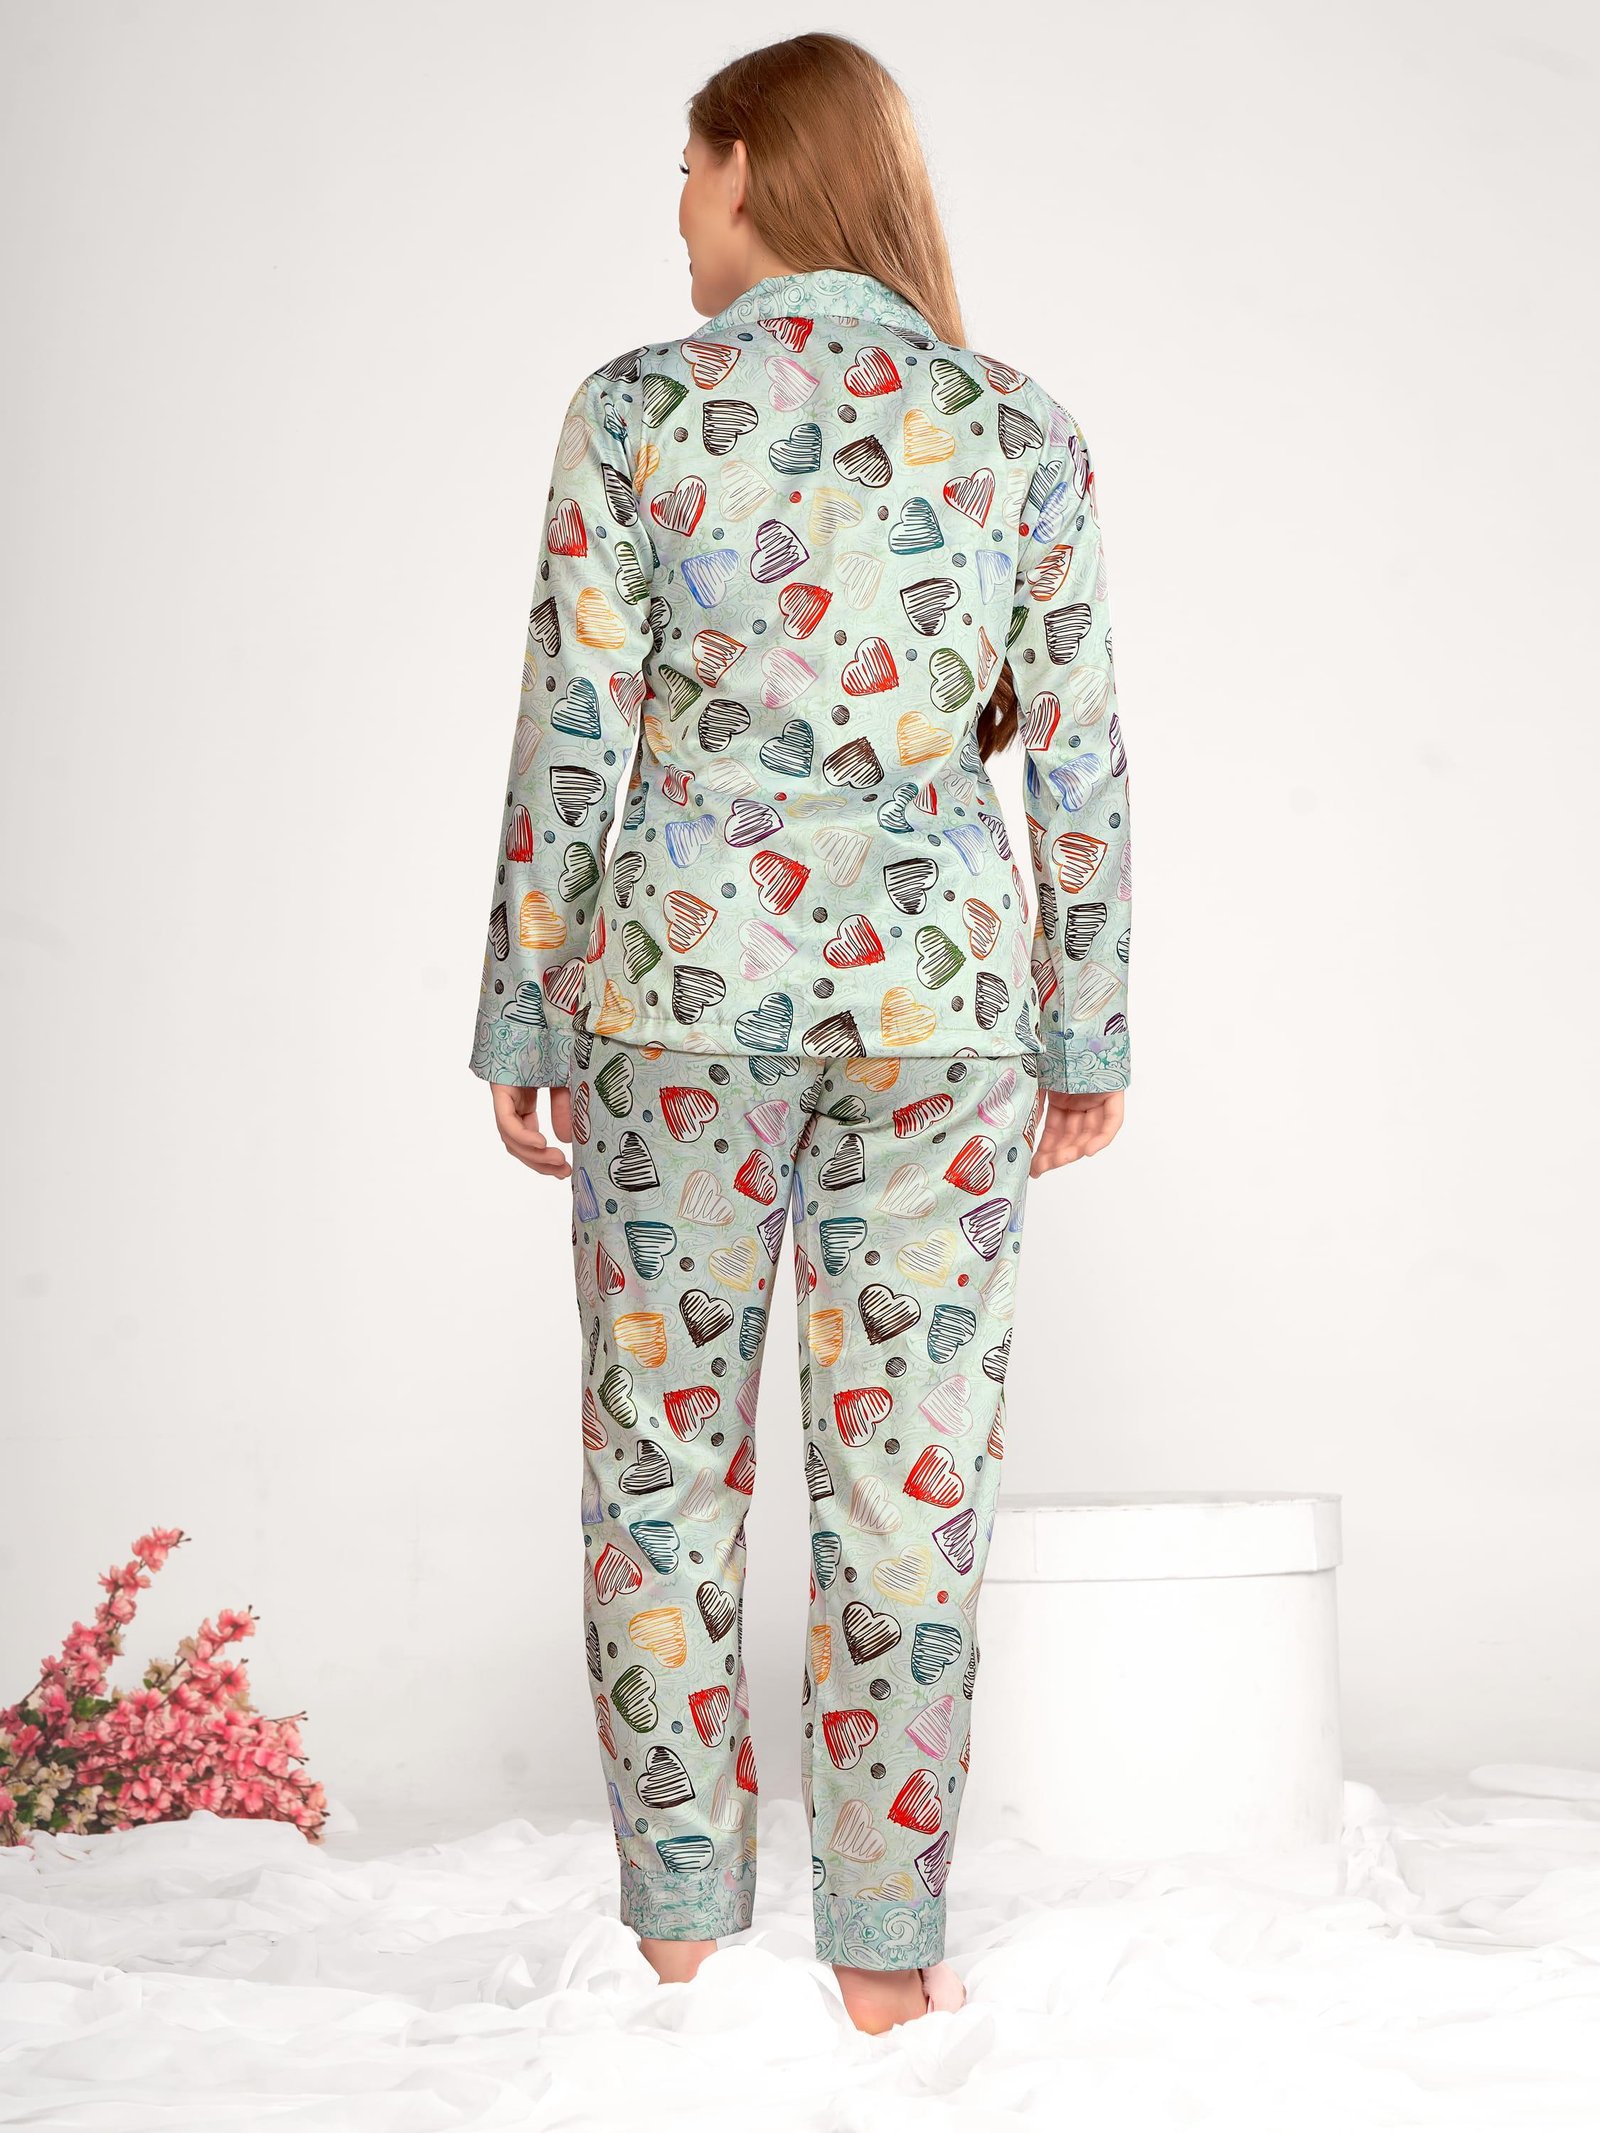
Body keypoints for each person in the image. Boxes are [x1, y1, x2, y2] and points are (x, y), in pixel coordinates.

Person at [467, 31, 1131, 2034]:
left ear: (749, 164)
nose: (675, 209)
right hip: (942, 1019)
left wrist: (526, 1005)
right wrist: (1085, 1025)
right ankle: (882, 1971)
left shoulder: (636, 412)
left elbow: (569, 733)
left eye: (687, 168)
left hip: (679, 1006)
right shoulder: (1017, 427)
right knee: (911, 1488)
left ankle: (684, 1951)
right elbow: (1078, 758)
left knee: (659, 1467)